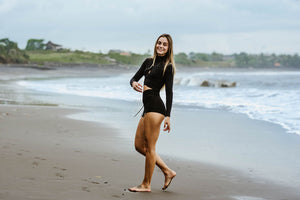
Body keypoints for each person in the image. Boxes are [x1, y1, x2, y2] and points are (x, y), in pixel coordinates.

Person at [128, 34, 176, 192]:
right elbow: (134, 78)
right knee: (138, 146)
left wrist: (168, 116)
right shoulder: (148, 62)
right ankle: (167, 171)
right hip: (147, 108)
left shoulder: (168, 67)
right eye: (159, 43)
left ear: (169, 48)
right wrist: (134, 83)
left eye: (165, 44)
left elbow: (169, 92)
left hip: (156, 108)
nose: (161, 46)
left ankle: (146, 184)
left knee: (150, 148)